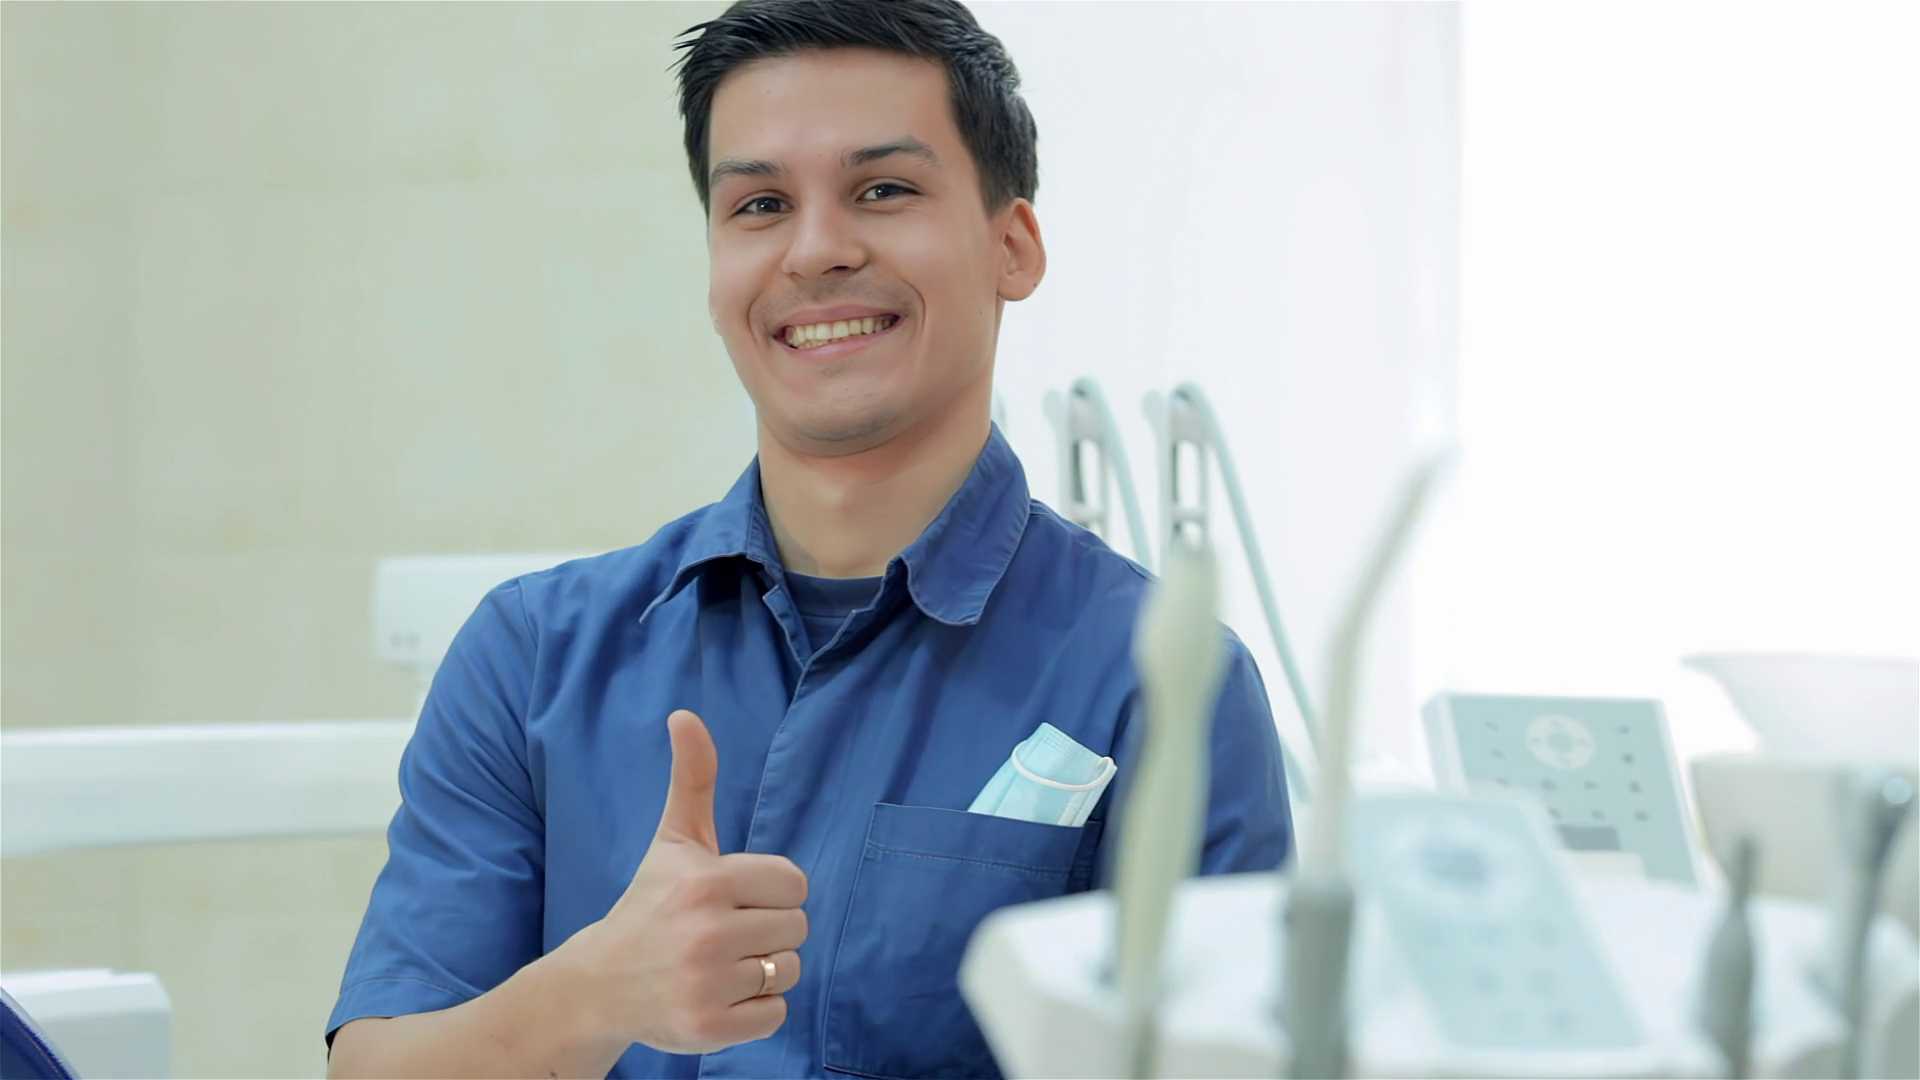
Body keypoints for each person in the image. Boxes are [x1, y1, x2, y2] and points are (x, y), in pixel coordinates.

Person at [325, 2, 1292, 1077]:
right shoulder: (532, 657)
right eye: (760, 205)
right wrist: (594, 995)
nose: (818, 250)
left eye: (884, 190)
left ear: (1012, 246)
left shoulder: (1161, 681)